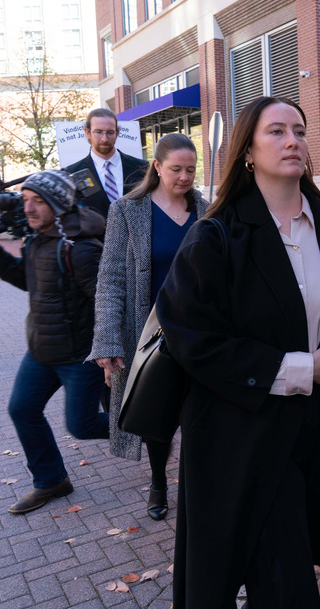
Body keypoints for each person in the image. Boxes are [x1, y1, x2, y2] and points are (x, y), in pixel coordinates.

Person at [154, 96, 320, 607]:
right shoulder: (217, 237)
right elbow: (191, 338)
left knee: (293, 561)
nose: (293, 140)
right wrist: (299, 369)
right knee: (285, 582)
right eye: (276, 132)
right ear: (247, 150)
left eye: (300, 130)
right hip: (243, 438)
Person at [88, 133, 209, 521]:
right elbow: (111, 278)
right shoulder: (128, 210)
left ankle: (196, 488)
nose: (184, 177)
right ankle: (159, 479)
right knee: (157, 417)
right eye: (176, 169)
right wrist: (108, 341)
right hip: (150, 335)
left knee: (200, 416)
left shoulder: (206, 210)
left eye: (191, 170)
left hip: (201, 334)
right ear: (156, 167)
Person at [0, 170, 108, 514]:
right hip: (41, 352)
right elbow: (28, 280)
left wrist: (109, 356)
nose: (29, 208)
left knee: (82, 425)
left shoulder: (79, 250)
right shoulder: (37, 239)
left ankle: (149, 428)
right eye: (26, 200)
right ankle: (52, 481)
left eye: (37, 201)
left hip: (79, 356)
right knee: (22, 410)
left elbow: (108, 306)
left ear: (57, 203)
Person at [65, 108, 148, 220]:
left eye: (110, 132)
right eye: (99, 132)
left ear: (117, 133)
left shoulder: (142, 168)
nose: (104, 139)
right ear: (87, 132)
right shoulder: (71, 174)